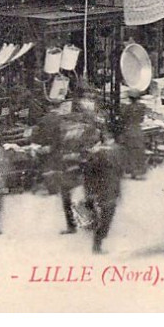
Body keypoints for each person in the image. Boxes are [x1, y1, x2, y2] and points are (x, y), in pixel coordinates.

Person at [58, 92, 100, 234]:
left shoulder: (86, 132)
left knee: (78, 196)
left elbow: (89, 150)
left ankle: (80, 224)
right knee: (76, 196)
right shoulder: (84, 130)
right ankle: (79, 224)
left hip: (78, 167)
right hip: (75, 167)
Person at [82, 120, 122, 255]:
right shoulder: (116, 151)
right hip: (110, 189)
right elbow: (120, 171)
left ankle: (96, 240)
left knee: (103, 215)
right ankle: (97, 245)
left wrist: (90, 191)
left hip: (101, 189)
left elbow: (88, 174)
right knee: (107, 218)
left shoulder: (96, 154)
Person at [120, 89, 147, 179]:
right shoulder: (142, 106)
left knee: (130, 151)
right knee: (139, 151)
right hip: (138, 130)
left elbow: (123, 118)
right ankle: (139, 171)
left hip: (129, 130)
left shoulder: (127, 108)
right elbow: (142, 119)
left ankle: (131, 171)